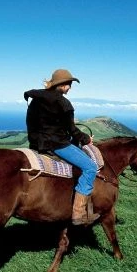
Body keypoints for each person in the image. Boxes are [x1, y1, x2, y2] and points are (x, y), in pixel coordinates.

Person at [24, 68, 99, 225]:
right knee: (90, 167)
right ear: (62, 85)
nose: (70, 87)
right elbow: (72, 130)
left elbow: (31, 123)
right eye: (69, 84)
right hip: (56, 145)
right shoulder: (63, 103)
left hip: (36, 144)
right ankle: (78, 213)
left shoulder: (35, 99)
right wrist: (86, 139)